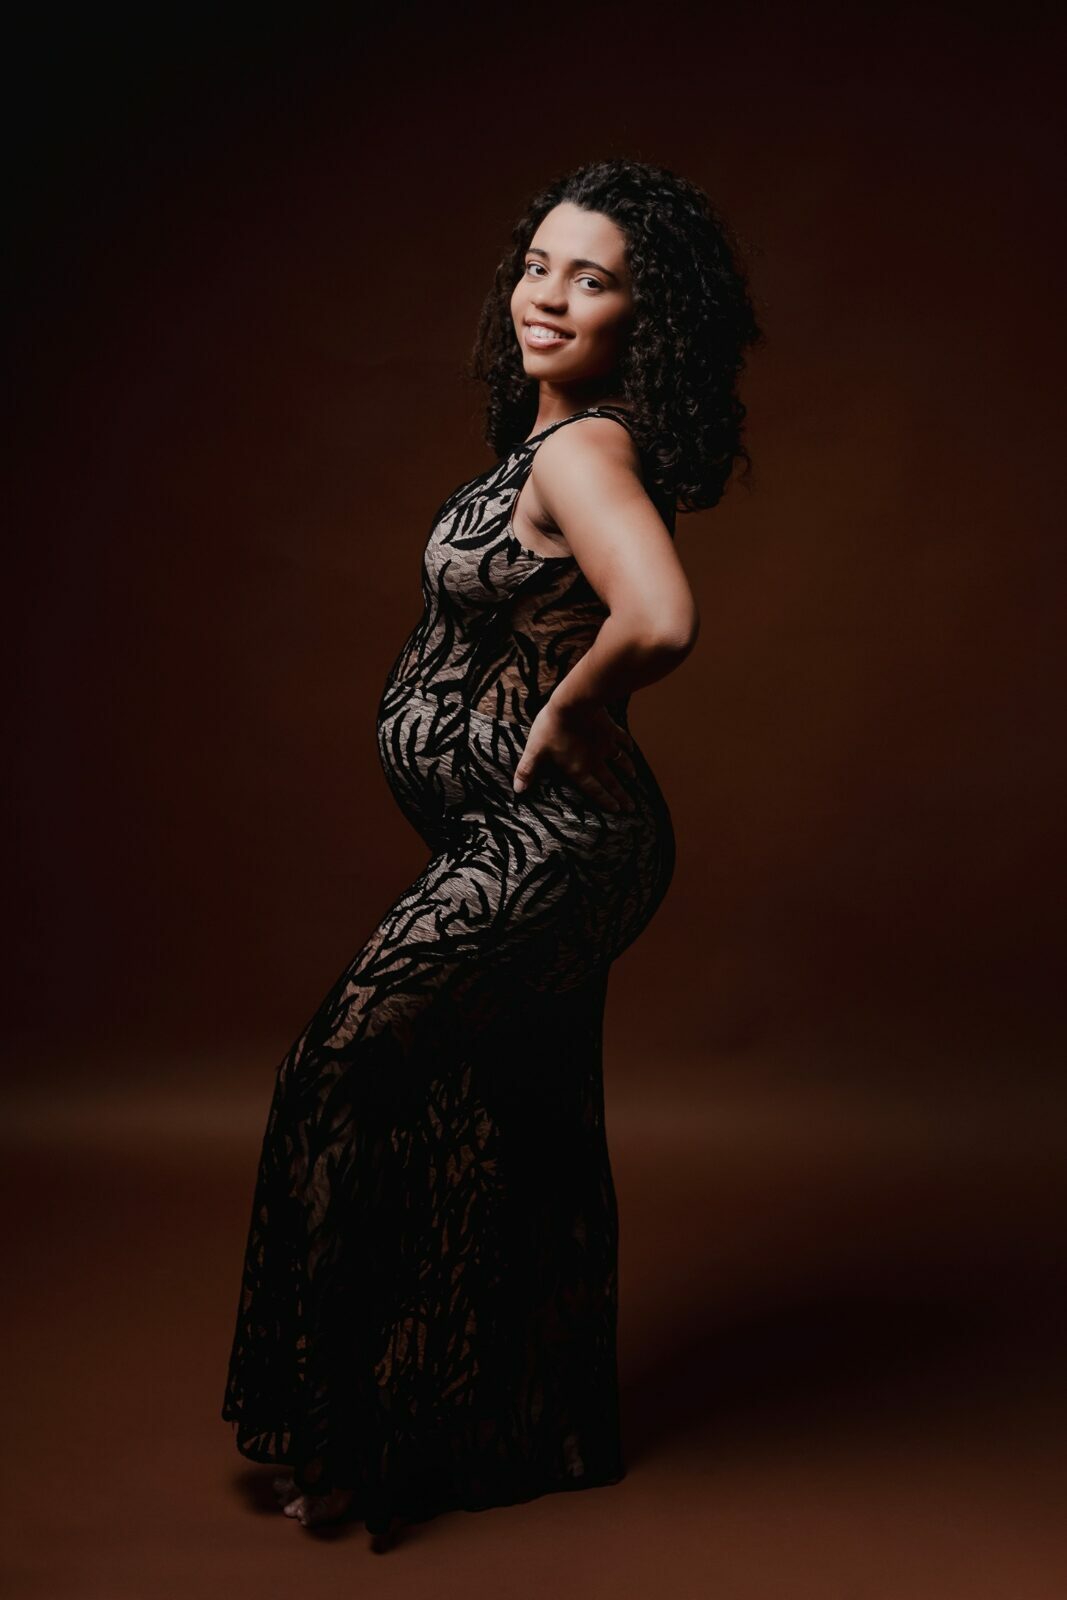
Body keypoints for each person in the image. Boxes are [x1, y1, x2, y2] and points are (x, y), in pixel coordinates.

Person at [221, 156, 763, 1547]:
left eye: (594, 280)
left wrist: (575, 707)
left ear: (646, 318)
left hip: (562, 839)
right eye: (537, 265)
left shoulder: (586, 452)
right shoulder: (549, 445)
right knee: (524, 1116)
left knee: (343, 1068)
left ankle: (339, 1434)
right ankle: (531, 1427)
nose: (549, 297)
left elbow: (661, 616)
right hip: (519, 834)